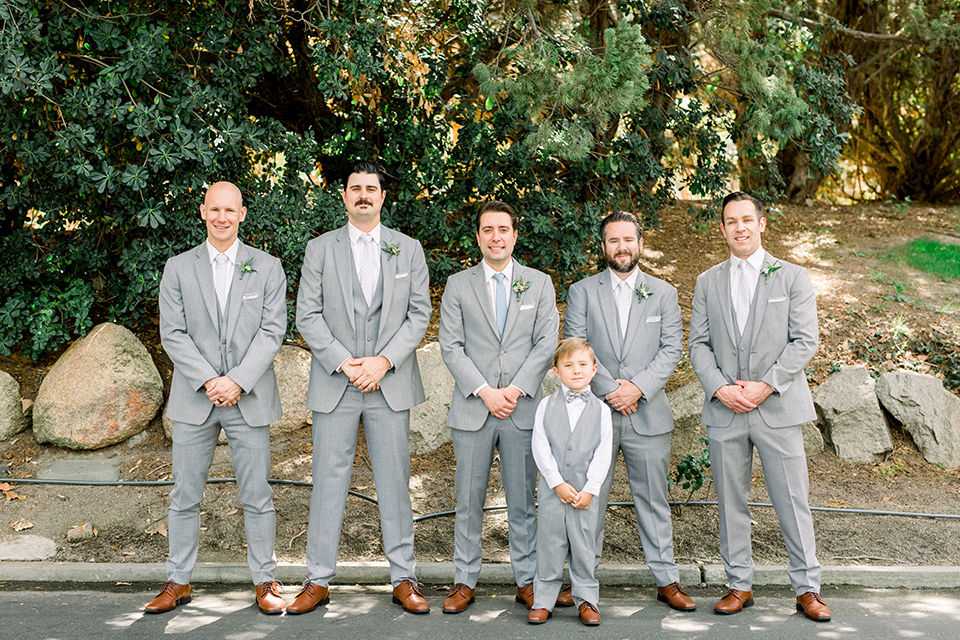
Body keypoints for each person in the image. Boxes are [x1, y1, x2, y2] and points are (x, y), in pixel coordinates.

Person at [290, 160, 431, 615]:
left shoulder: (407, 250)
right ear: (345, 196)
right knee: (328, 482)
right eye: (356, 188)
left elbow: (418, 314)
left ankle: (404, 578)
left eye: (372, 188)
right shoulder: (320, 249)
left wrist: (384, 361)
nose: (364, 195)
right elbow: (307, 315)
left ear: (383, 197)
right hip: (338, 382)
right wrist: (345, 364)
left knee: (394, 480)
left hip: (388, 383)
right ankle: (317, 579)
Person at [688, 191, 830, 621]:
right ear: (723, 228)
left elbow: (805, 340)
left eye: (747, 219)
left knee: (791, 499)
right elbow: (697, 345)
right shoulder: (707, 281)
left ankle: (807, 588)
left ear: (762, 223)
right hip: (726, 409)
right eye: (731, 221)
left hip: (778, 409)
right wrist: (720, 388)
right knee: (731, 501)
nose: (740, 228)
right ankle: (738, 585)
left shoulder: (792, 277)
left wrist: (765, 386)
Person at [148, 181, 287, 614]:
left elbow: (272, 330)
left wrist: (238, 380)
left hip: (248, 396)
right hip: (195, 397)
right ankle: (178, 581)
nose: (222, 217)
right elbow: (172, 332)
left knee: (256, 494)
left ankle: (264, 579)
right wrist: (210, 379)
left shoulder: (266, 267)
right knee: (184, 494)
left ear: (242, 214)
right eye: (215, 210)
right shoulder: (178, 267)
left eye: (231, 210)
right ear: (202, 212)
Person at [564, 210, 695, 612]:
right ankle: (582, 581)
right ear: (603, 246)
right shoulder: (582, 291)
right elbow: (575, 347)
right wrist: (610, 391)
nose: (621, 247)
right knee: (589, 500)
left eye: (628, 240)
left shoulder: (664, 293)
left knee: (653, 500)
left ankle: (666, 579)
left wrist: (637, 388)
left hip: (648, 412)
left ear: (641, 244)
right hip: (594, 414)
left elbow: (672, 348)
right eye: (613, 240)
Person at [438, 200, 561, 613]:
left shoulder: (539, 283)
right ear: (478, 236)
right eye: (488, 230)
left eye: (503, 229)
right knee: (468, 499)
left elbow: (546, 343)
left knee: (523, 501)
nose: (496, 237)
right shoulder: (458, 284)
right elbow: (451, 346)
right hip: (474, 409)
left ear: (514, 235)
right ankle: (463, 580)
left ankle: (527, 580)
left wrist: (515, 390)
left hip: (522, 410)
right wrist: (486, 391)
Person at [528, 338, 612, 627]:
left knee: (584, 544)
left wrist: (591, 488)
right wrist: (556, 482)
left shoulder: (602, 410)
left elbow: (604, 452)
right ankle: (543, 600)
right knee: (550, 543)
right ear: (556, 372)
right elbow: (540, 446)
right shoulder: (544, 406)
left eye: (582, 365)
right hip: (554, 490)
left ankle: (587, 599)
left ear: (594, 369)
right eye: (568, 365)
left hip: (586, 493)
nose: (576, 370)